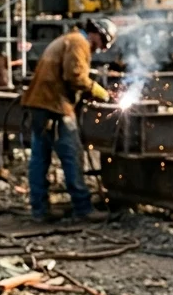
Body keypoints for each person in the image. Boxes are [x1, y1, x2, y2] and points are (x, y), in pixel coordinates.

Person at [20, 19, 116, 222]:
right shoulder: (79, 43)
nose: (101, 49)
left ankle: (40, 210)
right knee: (72, 154)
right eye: (103, 43)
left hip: (40, 104)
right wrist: (97, 90)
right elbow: (75, 76)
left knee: (40, 157)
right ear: (96, 33)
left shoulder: (68, 39)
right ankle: (83, 208)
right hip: (55, 106)